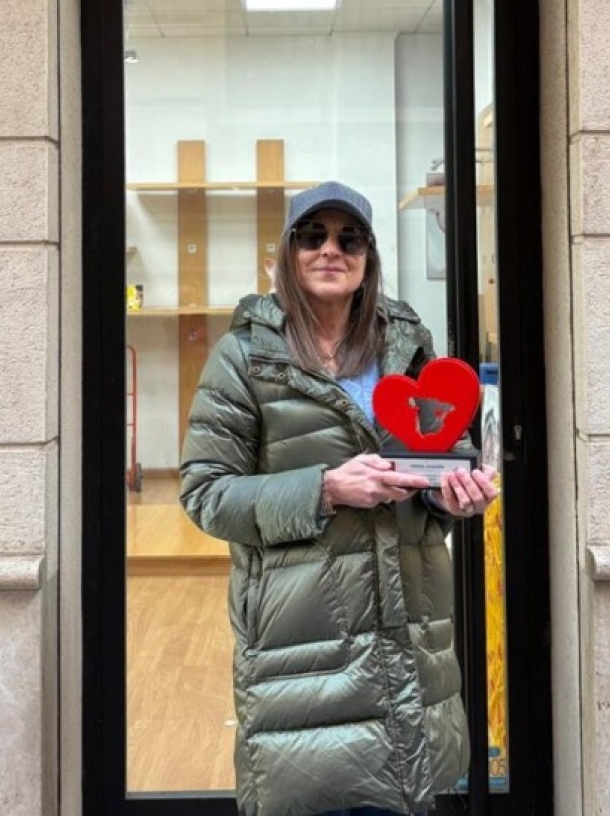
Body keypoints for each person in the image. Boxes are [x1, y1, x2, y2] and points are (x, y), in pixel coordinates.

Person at [179, 181, 498, 816]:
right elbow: (206, 492)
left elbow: (439, 461)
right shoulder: (247, 357)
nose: (331, 250)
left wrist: (455, 498)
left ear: (368, 257)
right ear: (288, 252)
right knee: (314, 793)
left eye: (349, 238)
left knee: (403, 793)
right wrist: (326, 488)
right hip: (304, 640)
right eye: (313, 236)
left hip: (409, 627)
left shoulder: (406, 345)